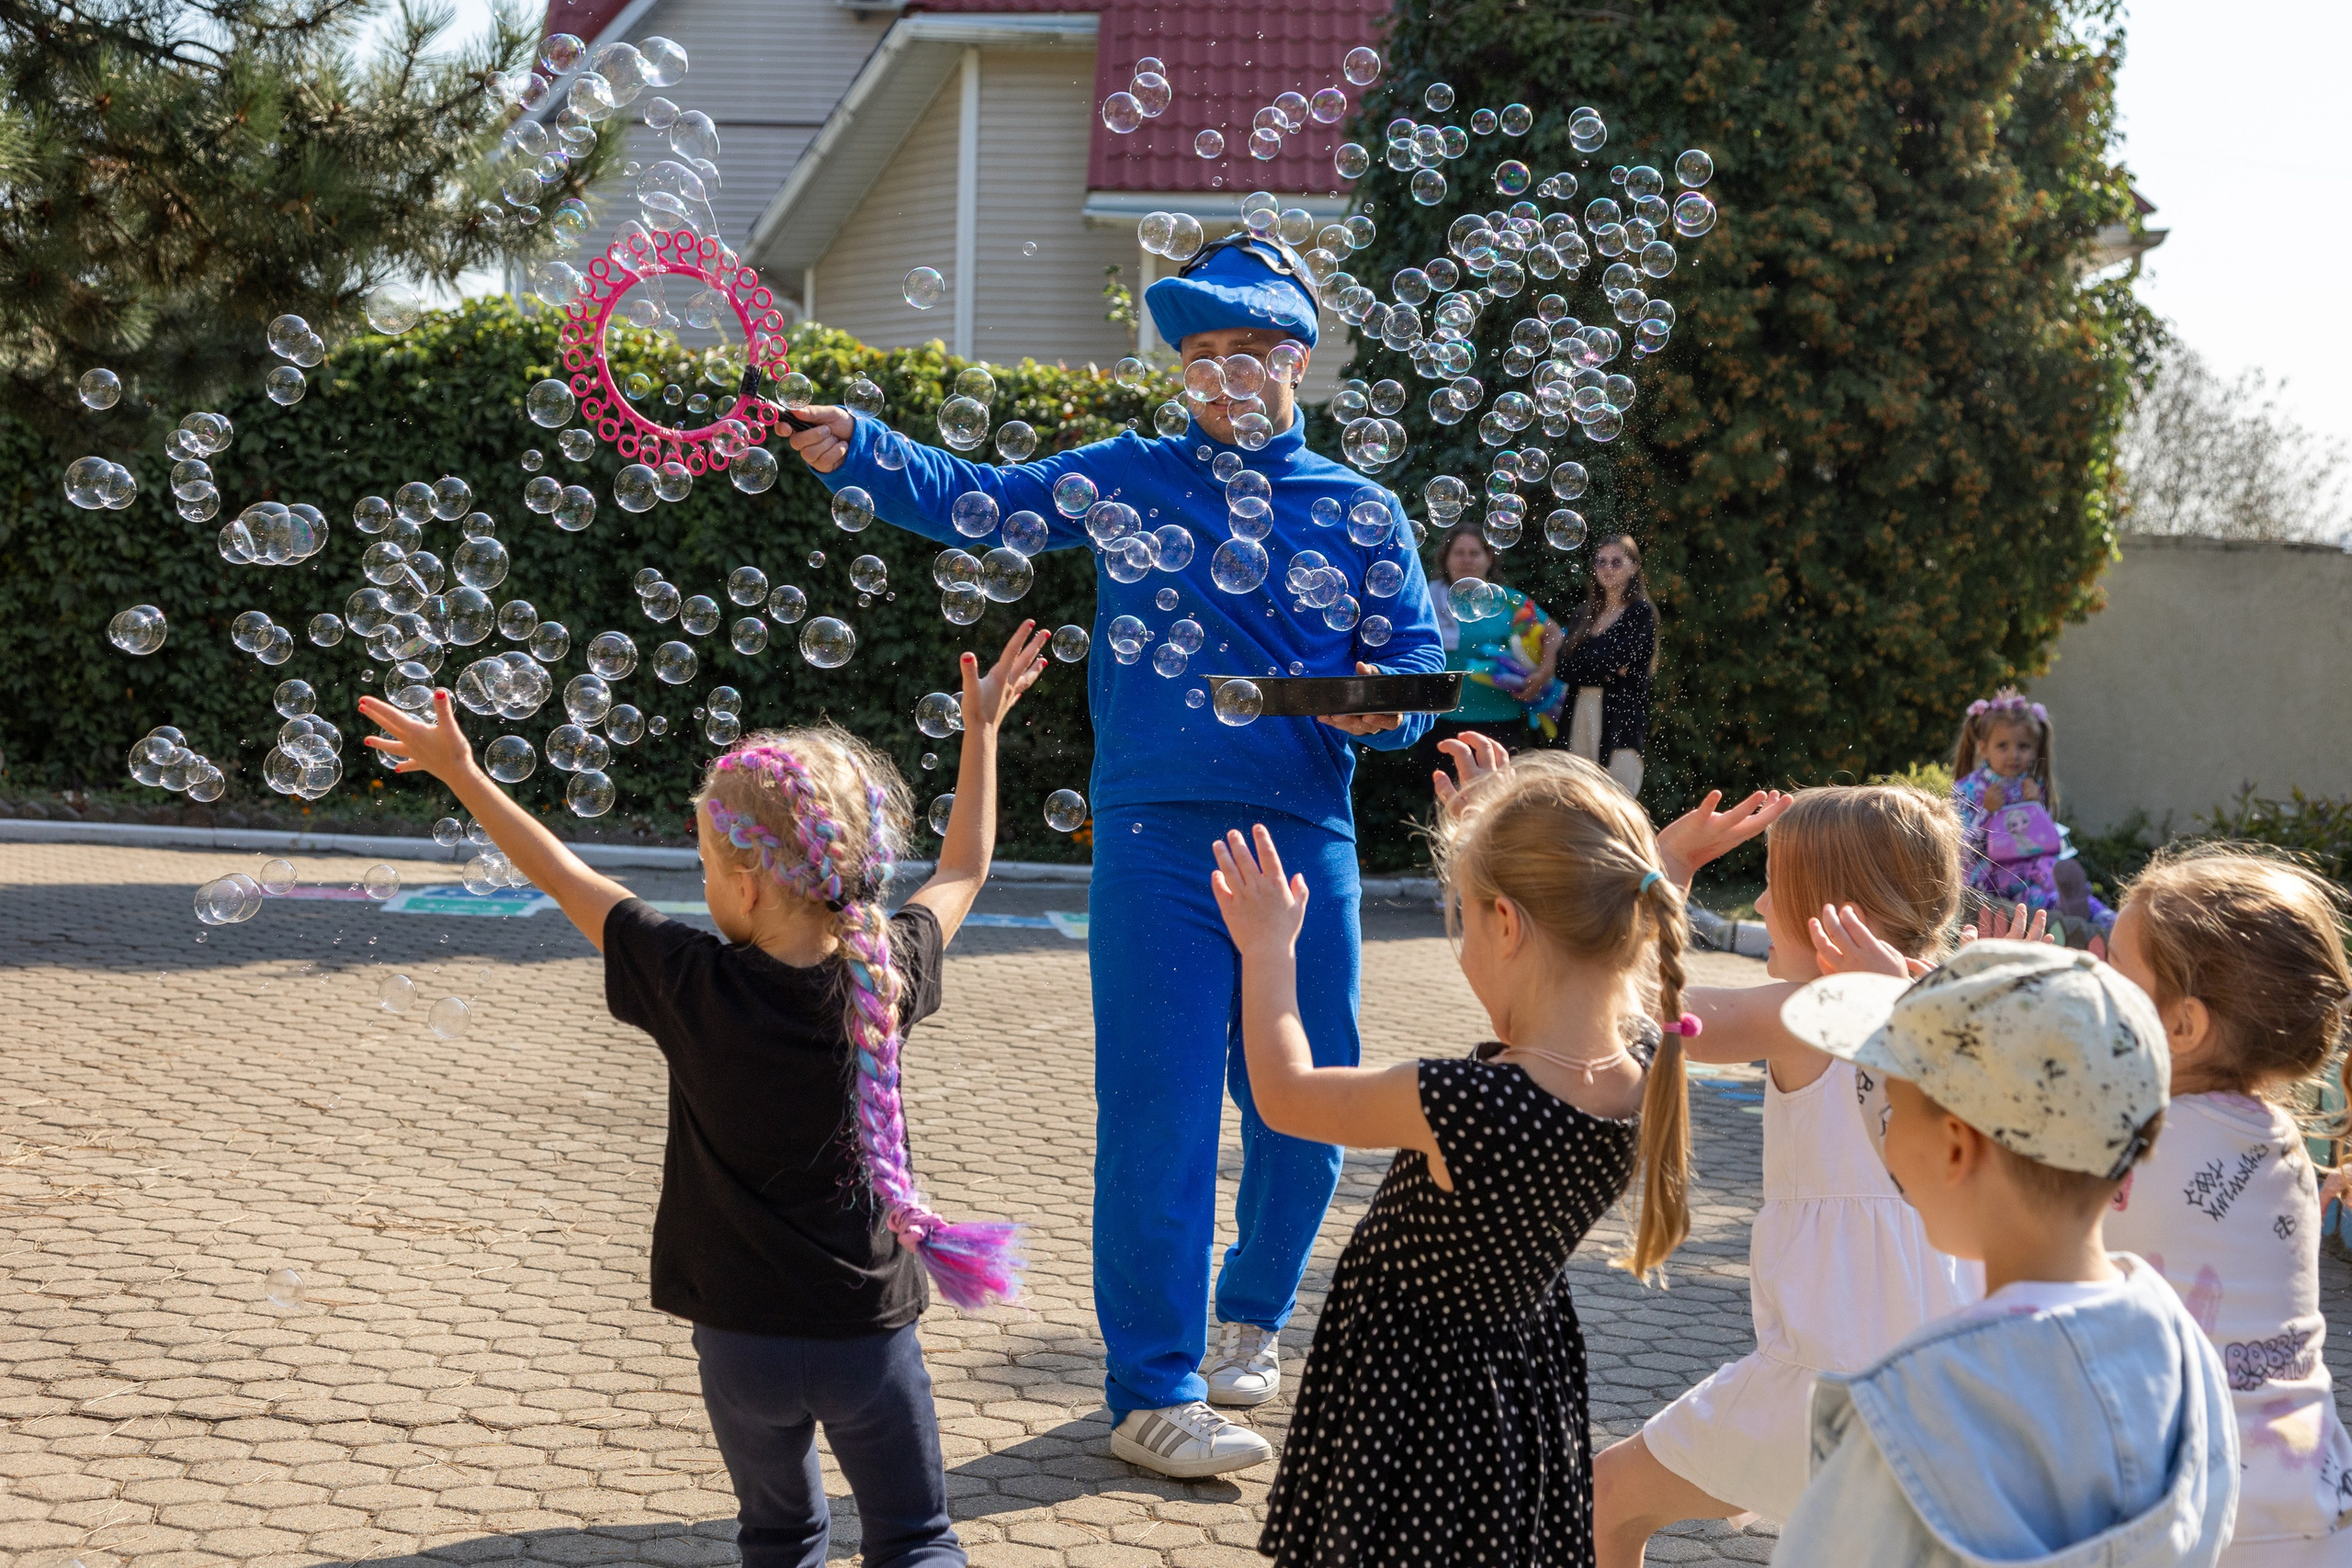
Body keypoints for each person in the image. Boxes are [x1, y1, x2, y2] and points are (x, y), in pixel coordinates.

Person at [784, 236, 1444, 1478]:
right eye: (1199, 357)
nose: (1221, 379)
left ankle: (1249, 1314)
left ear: (1295, 361)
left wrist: (1375, 706)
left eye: (1247, 355)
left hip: (1304, 837)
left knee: (1311, 1106)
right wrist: (860, 448)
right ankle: (1154, 1386)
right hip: (1153, 839)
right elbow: (979, 494)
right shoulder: (1132, 475)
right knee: (1159, 1116)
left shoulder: (1362, 509)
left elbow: (1414, 668)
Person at [356, 624, 1054, 1568]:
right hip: (866, 1341)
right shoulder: (886, 970)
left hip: (739, 1344)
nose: (696, 889)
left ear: (747, 883)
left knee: (778, 1536)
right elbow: (963, 870)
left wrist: (462, 775)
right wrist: (982, 735)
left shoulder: (688, 981)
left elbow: (565, 873)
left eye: (701, 869)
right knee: (915, 1538)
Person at [1212, 738, 1693, 1564]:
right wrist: (1501, 835)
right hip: (1517, 1384)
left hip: (1411, 1393)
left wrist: (1268, 950)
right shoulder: (1644, 1070)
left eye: (1463, 914)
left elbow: (1287, 1094)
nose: (1461, 938)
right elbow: (1614, 918)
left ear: (1507, 922)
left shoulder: (1466, 1104)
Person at [1594, 784, 1984, 1564]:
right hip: (1948, 1395)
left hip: (1824, 1389)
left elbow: (1637, 1009)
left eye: (1781, 885)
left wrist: (1670, 865)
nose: (1764, 902)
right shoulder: (1961, 1004)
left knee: (1606, 1500)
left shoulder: (1814, 1010)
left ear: (1843, 915)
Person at [1769, 942, 2238, 1568]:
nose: (1884, 1131)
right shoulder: (2183, 1346)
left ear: (1957, 1147)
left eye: (1892, 1108)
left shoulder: (1915, 1404)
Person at [2101, 846, 2352, 1564]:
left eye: (2116, 966)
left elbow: (1968, 1171)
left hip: (2197, 1518)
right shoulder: (2280, 1142)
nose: (2095, 968)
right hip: (2314, 1500)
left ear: (2182, 1027)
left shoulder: (2134, 1140)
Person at [1950, 688, 2111, 941]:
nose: (2014, 755)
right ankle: (2069, 913)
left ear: (2035, 749)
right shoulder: (1968, 789)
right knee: (2034, 896)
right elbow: (1958, 848)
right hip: (1990, 877)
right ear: (1983, 747)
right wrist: (1985, 812)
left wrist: (2037, 806)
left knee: (2059, 882)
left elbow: (2047, 841)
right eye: (2002, 746)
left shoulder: (2032, 786)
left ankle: (2108, 920)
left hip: (2034, 868)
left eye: (2023, 746)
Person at [1426, 522, 1567, 747]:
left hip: (1501, 721)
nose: (1467, 559)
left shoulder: (1510, 601)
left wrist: (1544, 672)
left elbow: (1554, 634)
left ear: (1489, 559)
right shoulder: (1426, 600)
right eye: (1459, 553)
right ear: (1446, 558)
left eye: (1475, 553)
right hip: (1438, 719)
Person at [1558, 533, 1657, 796]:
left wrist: (1591, 665)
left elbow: (1618, 660)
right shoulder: (1583, 613)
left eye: (1616, 562)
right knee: (1578, 794)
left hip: (1620, 715)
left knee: (1617, 796)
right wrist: (1606, 670)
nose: (1607, 569)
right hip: (1579, 710)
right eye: (1601, 562)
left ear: (1634, 567)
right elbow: (1563, 668)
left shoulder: (1640, 612)